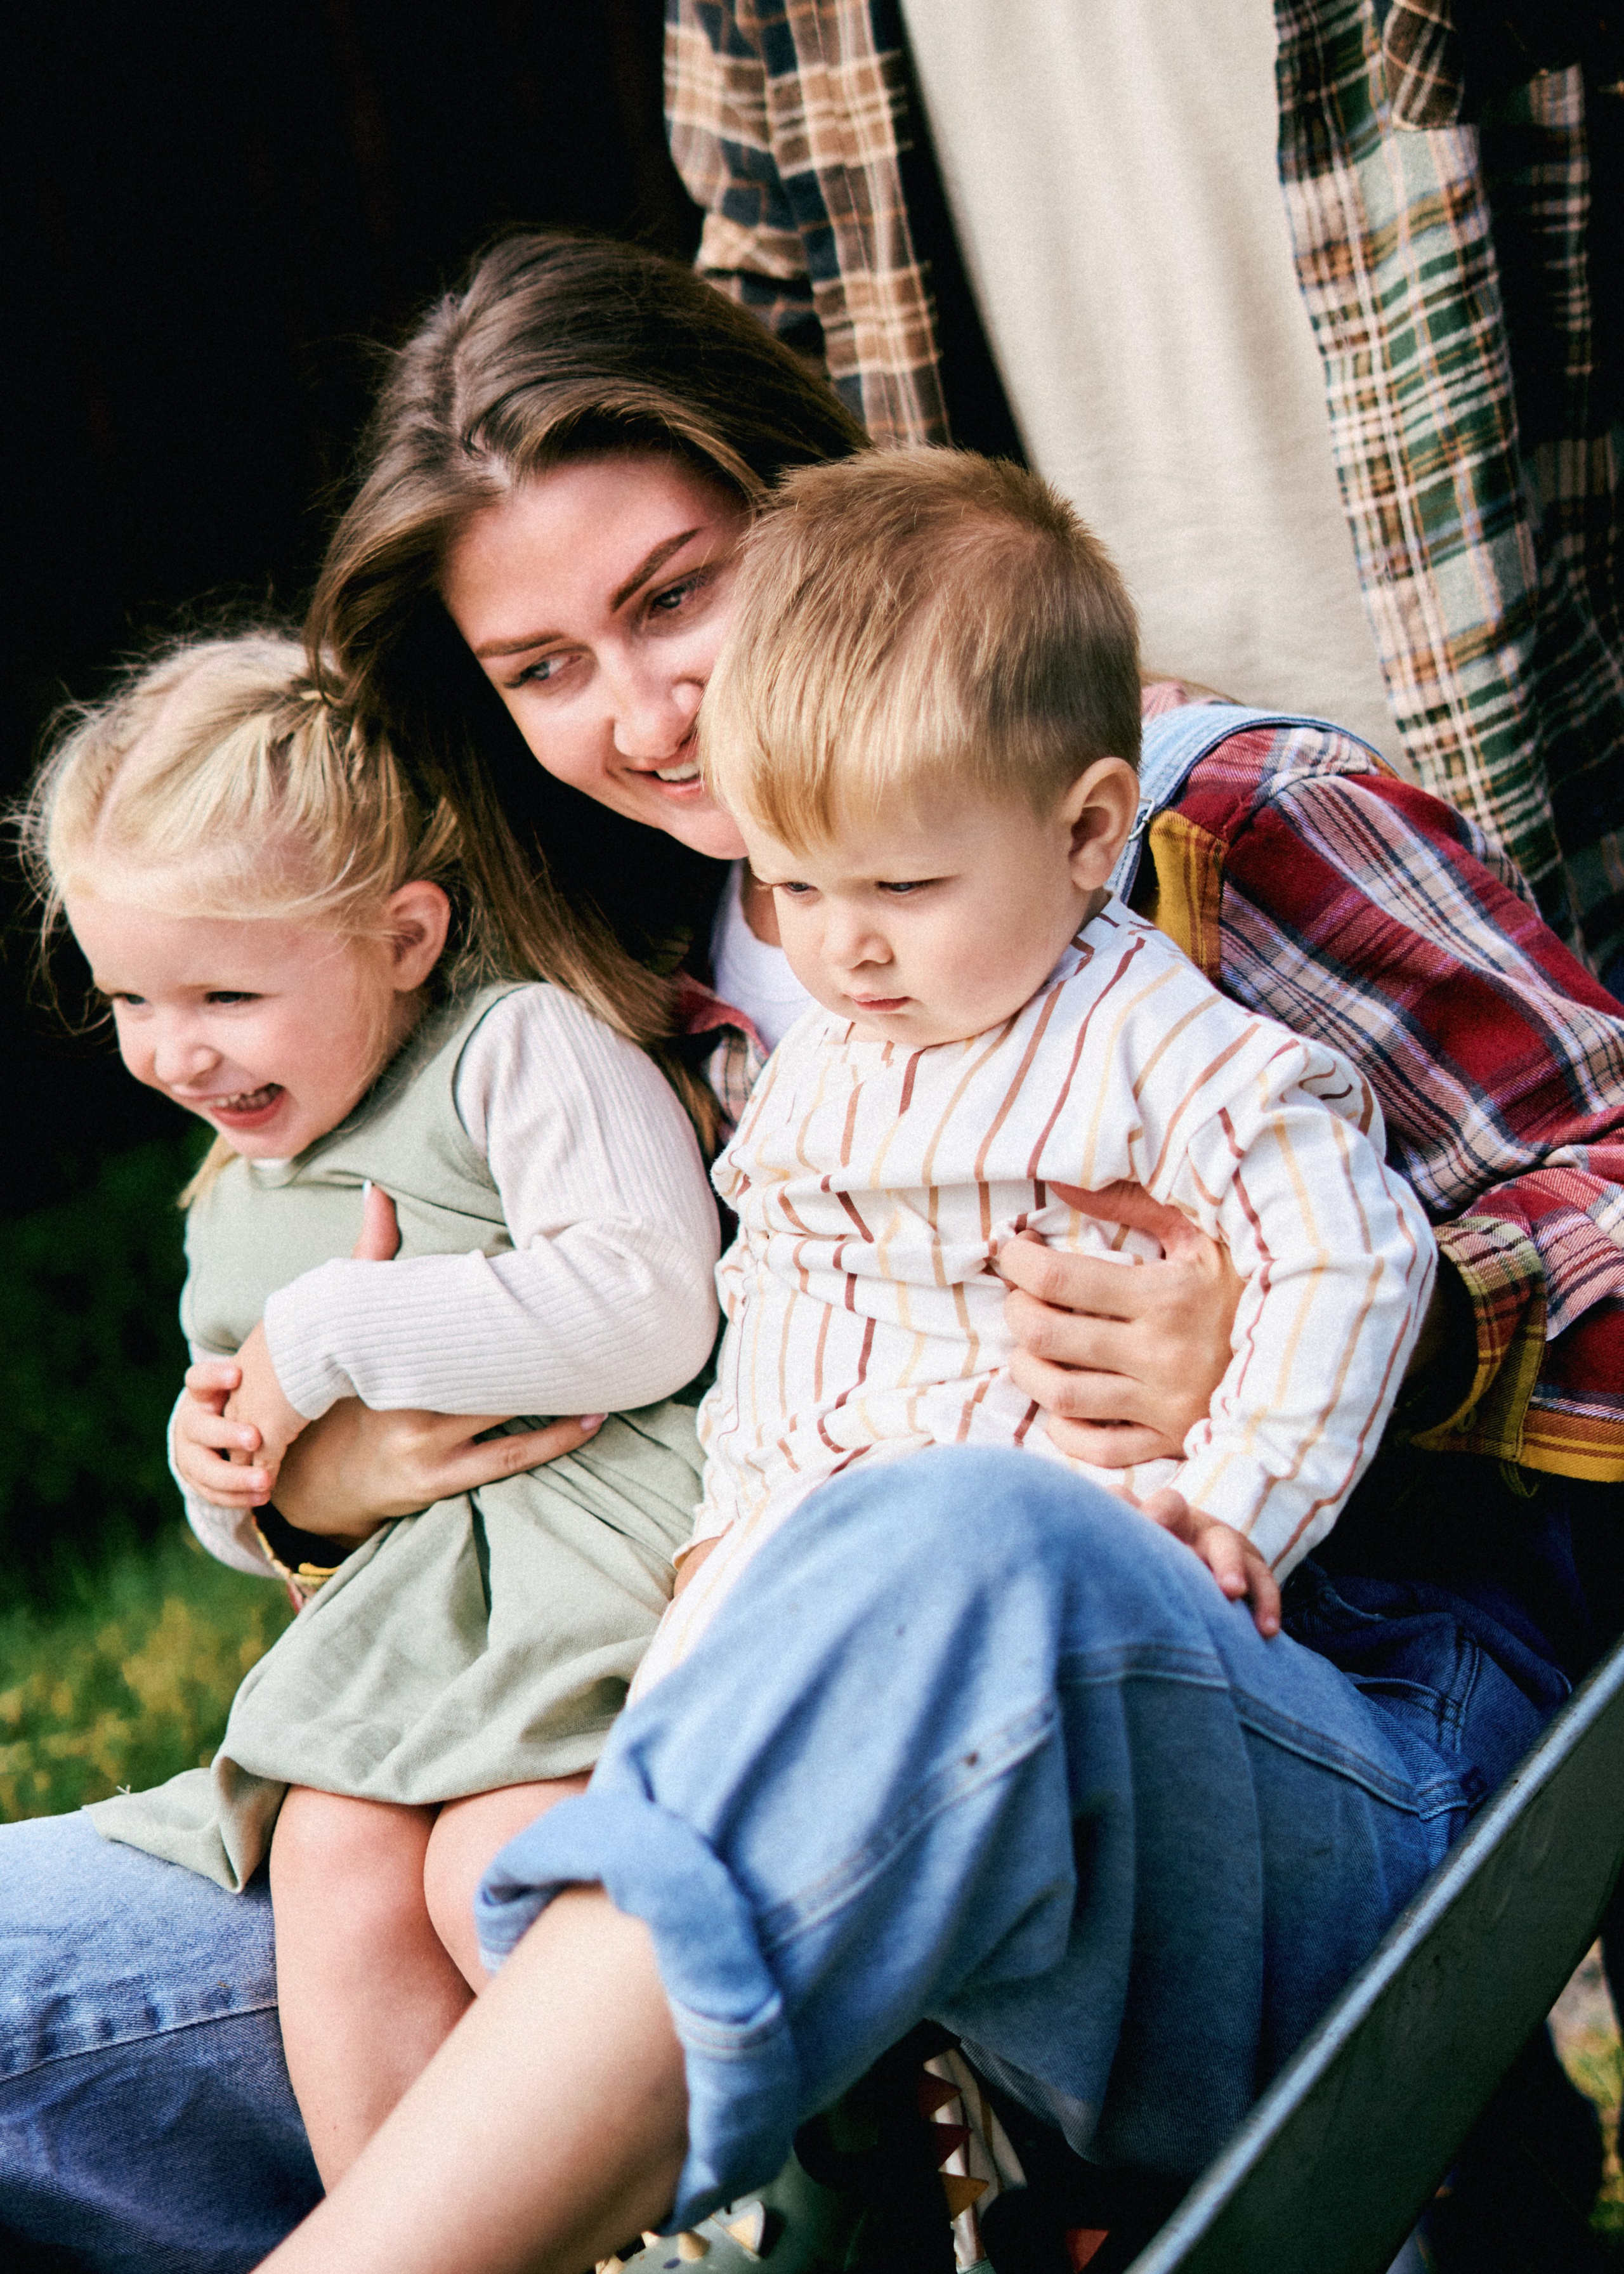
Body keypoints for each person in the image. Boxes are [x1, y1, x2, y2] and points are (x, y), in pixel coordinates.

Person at [3, 230, 1622, 2274]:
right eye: (543, 668)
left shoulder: (1214, 818)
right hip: (629, 1800)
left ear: (809, 500)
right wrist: (330, 1473)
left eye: (676, 594)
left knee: (943, 1541)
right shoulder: (598, 993)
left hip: (1279, 1742)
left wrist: (1392, 1327)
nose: (650, 711)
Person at [21, 630, 718, 2191]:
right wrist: (225, 1467)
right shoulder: (235, 1191)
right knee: (333, 1853)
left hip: (603, 1579)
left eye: (225, 989)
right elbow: (262, 1503)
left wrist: (335, 1327)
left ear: (406, 934)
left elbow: (648, 1298)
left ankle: (714, 2175)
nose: (172, 1045)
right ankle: (411, 2222)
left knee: (498, 1864)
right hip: (416, 1639)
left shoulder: (516, 1045)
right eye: (129, 992)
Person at [649, 445, 1436, 1694]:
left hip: (1050, 1600)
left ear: (1082, 830)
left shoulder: (1154, 1044)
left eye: (900, 885)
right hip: (792, 1580)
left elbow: (1347, 1253)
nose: (840, 940)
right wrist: (720, 1530)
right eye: (791, 883)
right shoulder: (824, 1060)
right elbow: (778, 1297)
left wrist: (1235, 1503)